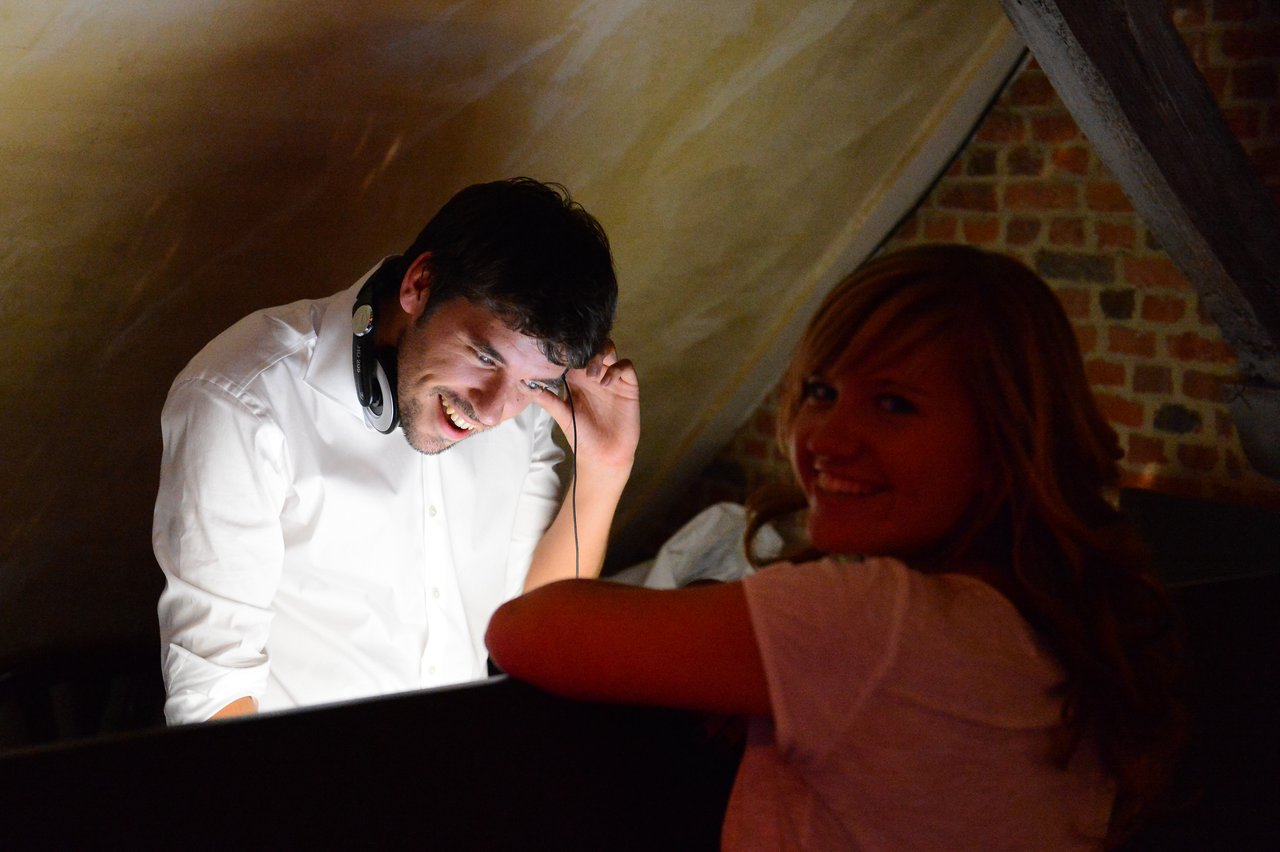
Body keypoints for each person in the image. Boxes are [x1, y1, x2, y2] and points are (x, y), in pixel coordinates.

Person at [486, 245, 1184, 849]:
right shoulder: (1047, 621)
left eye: (894, 404)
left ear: (1007, 439)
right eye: (821, 391)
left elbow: (522, 630)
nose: (826, 439)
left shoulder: (878, 622)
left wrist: (605, 468)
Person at [155, 177, 639, 725]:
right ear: (419, 284)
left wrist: (604, 468)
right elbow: (212, 697)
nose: (491, 411)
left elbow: (536, 627)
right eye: (485, 358)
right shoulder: (241, 398)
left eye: (531, 383)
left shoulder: (519, 412)